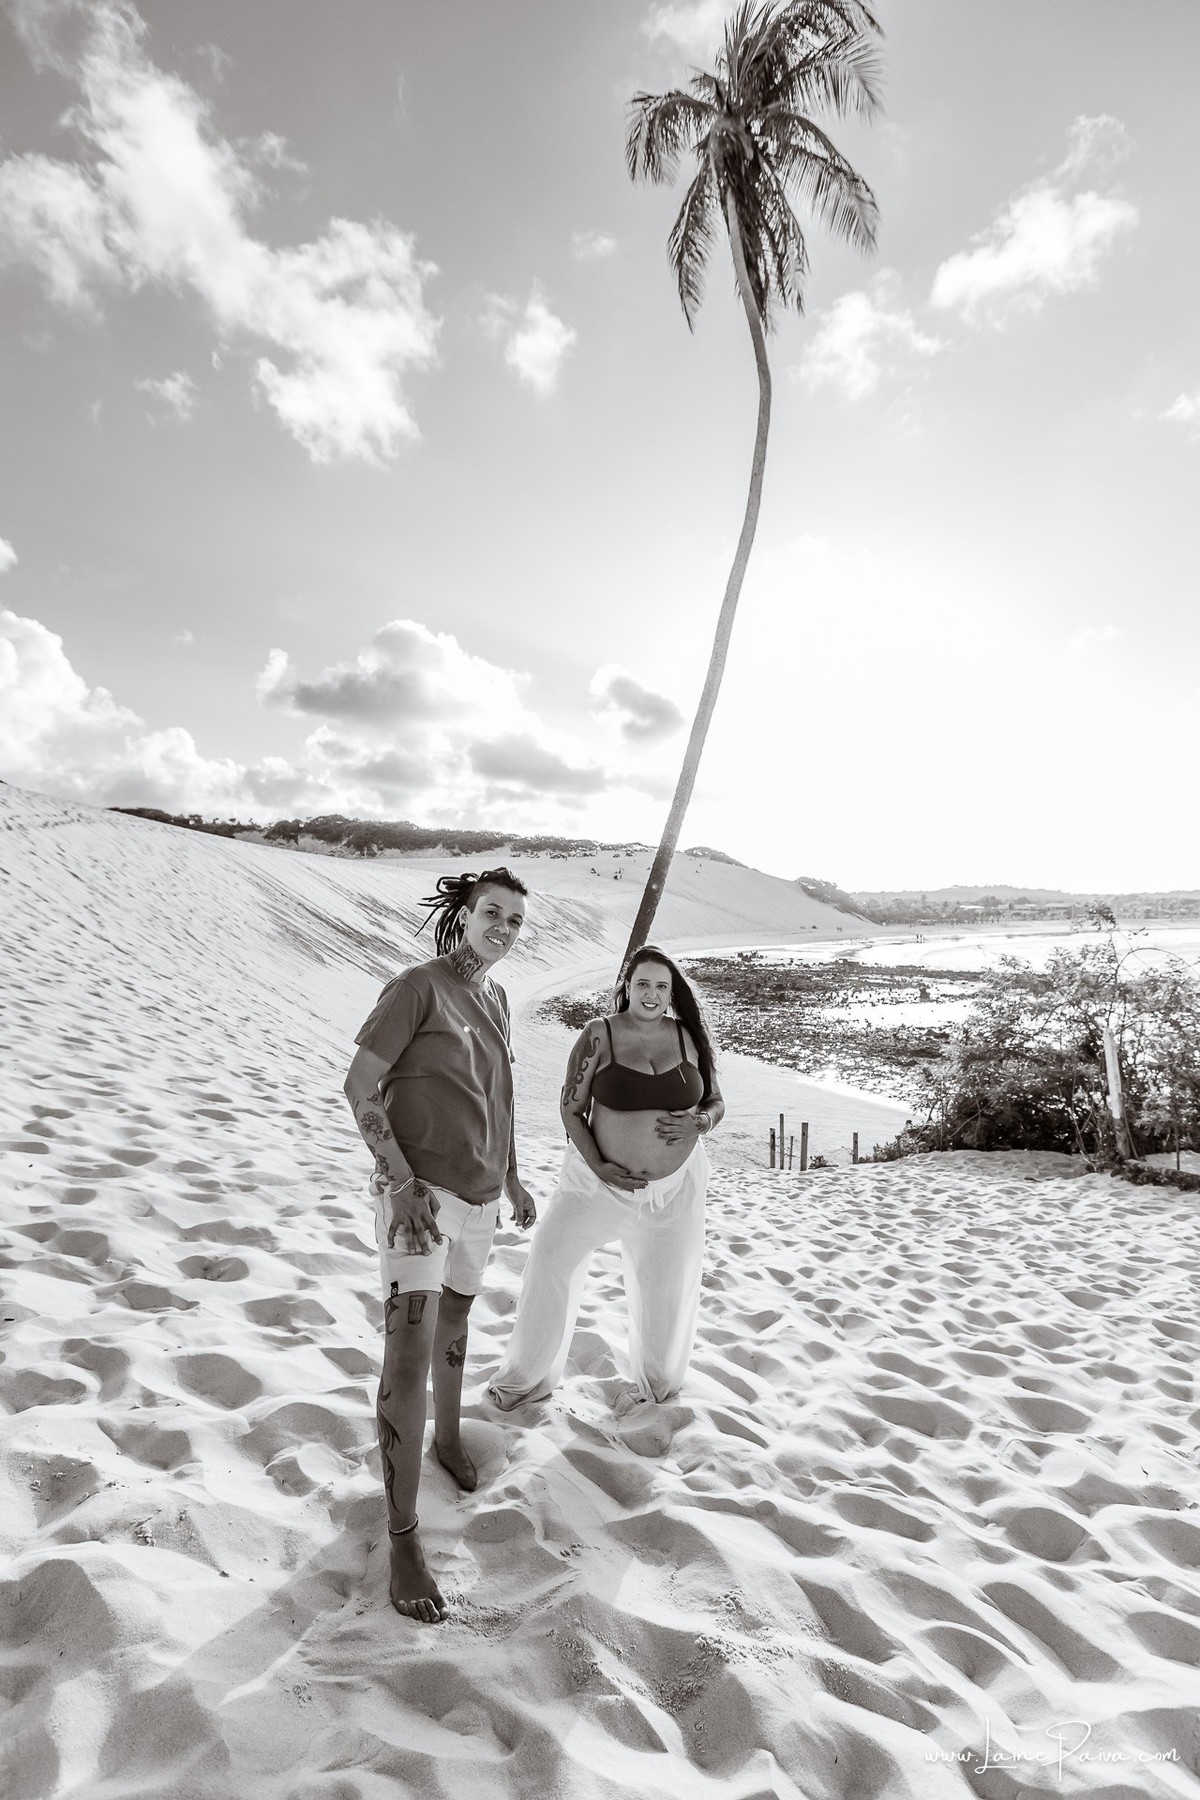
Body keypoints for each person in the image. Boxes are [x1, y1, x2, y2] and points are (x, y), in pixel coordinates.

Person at [343, 867, 537, 1624]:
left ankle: (450, 1438)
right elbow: (360, 1085)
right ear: (463, 914)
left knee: (458, 1323)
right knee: (408, 1353)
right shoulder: (417, 987)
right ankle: (402, 1538)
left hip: (485, 1199)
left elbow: (502, 1098)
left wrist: (515, 1179)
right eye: (493, 913)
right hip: (420, 1201)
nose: (504, 928)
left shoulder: (495, 997)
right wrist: (398, 1181)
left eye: (517, 921)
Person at [488, 943, 723, 1413]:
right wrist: (597, 1164)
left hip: (673, 1192)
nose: (652, 994)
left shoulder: (688, 1038)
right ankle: (524, 1379)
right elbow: (570, 1107)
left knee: (666, 1288)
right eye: (642, 984)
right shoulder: (599, 1035)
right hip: (595, 1185)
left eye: (662, 985)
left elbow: (715, 1102)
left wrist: (701, 1123)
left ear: (672, 992)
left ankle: (657, 1387)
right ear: (626, 988)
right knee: (551, 1263)